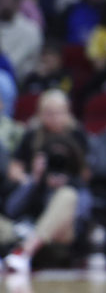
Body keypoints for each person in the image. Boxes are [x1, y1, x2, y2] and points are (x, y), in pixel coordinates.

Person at [0, 89, 88, 274]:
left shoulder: (78, 136)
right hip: (27, 220)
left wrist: (68, 180)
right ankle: (23, 247)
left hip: (60, 229)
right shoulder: (31, 137)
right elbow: (12, 206)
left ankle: (25, 251)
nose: (54, 117)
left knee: (68, 196)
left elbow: (87, 183)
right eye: (49, 113)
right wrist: (35, 178)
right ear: (40, 114)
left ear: (68, 112)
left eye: (59, 112)